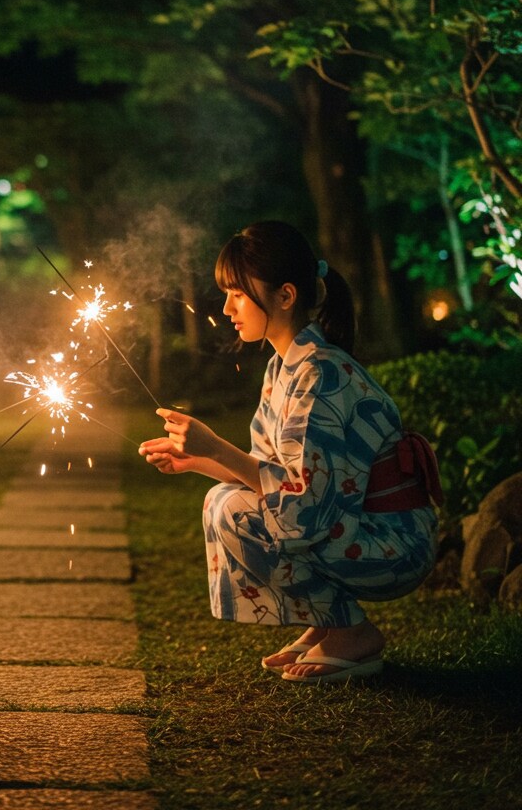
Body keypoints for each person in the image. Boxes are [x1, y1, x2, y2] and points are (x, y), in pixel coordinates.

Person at [139, 221, 441, 684]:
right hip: (353, 525)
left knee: (234, 511)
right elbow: (267, 473)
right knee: (223, 499)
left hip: (394, 542)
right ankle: (329, 621)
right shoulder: (283, 367)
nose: (227, 308)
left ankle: (352, 633)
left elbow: (303, 506)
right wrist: (195, 461)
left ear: (285, 296)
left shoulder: (320, 375)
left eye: (238, 294)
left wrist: (215, 445)